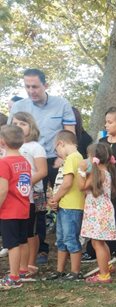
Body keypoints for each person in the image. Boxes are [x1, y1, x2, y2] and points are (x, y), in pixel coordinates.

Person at [8, 68, 76, 266]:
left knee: (65, 201)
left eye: (35, 86)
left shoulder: (61, 103)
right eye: (27, 86)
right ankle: (39, 250)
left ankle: (71, 243)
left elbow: (70, 132)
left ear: (45, 85)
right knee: (33, 207)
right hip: (27, 162)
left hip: (56, 160)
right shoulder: (19, 106)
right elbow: (10, 135)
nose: (31, 90)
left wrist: (66, 157)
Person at [82, 108, 116, 261]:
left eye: (110, 122)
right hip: (100, 189)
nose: (106, 125)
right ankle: (92, 250)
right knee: (96, 220)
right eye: (106, 122)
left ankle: (112, 249)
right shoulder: (102, 143)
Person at [12, 112, 48, 277]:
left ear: (31, 126)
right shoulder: (10, 148)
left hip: (32, 195)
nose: (18, 127)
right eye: (15, 123)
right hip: (13, 196)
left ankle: (30, 264)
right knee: (18, 231)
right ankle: (19, 264)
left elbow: (42, 171)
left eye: (22, 124)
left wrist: (23, 185)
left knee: (30, 231)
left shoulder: (35, 147)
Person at [46, 130, 85, 281]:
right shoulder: (71, 158)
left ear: (61, 144)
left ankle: (75, 272)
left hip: (72, 206)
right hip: (64, 205)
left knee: (70, 238)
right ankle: (59, 270)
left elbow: (67, 183)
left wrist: (55, 198)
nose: (58, 154)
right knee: (61, 239)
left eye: (57, 151)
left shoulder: (73, 158)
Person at [78, 143, 116, 284]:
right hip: (103, 210)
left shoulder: (99, 174)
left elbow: (81, 187)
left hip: (97, 211)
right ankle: (107, 266)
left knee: (97, 243)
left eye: (88, 156)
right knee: (100, 241)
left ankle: (104, 275)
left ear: (93, 158)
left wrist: (81, 171)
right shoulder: (106, 172)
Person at [0, 125, 32, 289]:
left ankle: (14, 277)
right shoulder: (24, 161)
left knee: (11, 244)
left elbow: (3, 189)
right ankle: (23, 270)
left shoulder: (4, 163)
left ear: (2, 142)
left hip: (9, 210)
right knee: (22, 241)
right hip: (23, 208)